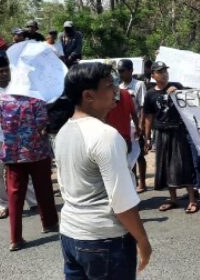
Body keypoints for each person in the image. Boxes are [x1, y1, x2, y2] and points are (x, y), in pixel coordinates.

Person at [55, 63, 151, 278]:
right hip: (104, 239)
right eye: (109, 86)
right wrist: (143, 241)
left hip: (71, 234)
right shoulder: (105, 135)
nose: (116, 90)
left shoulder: (63, 131)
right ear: (89, 95)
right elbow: (121, 200)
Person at [0, 80, 59, 251]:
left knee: (15, 196)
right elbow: (42, 125)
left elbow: (0, 123)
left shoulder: (3, 100)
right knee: (44, 190)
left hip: (12, 153)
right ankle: (49, 223)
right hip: (36, 152)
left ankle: (15, 238)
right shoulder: (36, 101)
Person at [143, 61, 199, 214]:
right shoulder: (150, 94)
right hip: (161, 134)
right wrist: (147, 138)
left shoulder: (176, 86)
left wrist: (178, 92)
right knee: (166, 166)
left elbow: (191, 99)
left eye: (165, 71)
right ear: (153, 75)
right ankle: (173, 199)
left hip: (179, 132)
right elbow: (148, 116)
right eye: (160, 72)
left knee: (184, 164)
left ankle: (192, 200)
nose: (164, 74)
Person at [0, 52, 37, 220]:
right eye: (0, 71)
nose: (4, 74)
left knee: (24, 169)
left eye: (6, 70)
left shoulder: (18, 87)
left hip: (18, 136)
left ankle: (33, 201)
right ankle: (2, 205)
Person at [117, 59, 148, 192]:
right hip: (125, 125)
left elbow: (142, 106)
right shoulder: (119, 87)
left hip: (136, 124)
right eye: (119, 71)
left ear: (130, 70)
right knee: (130, 156)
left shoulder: (139, 85)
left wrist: (140, 125)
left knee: (139, 155)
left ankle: (142, 182)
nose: (120, 74)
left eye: (122, 71)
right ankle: (133, 180)